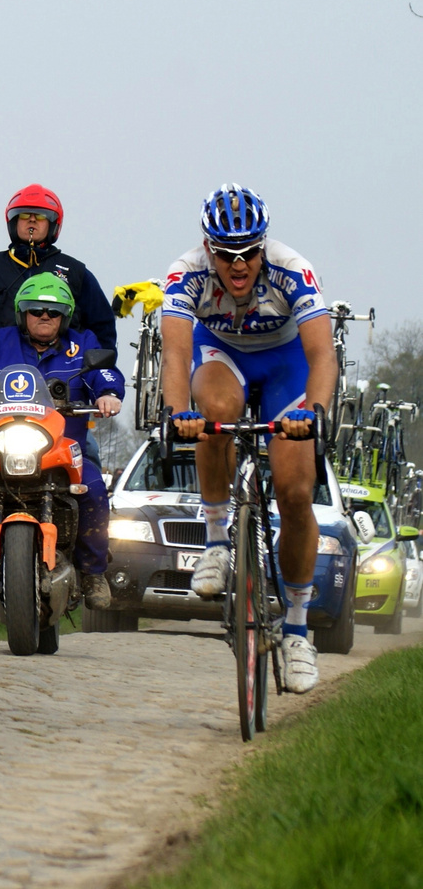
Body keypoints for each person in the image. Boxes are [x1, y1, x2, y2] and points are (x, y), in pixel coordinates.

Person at [162, 184, 334, 694]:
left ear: (264, 245)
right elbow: (174, 354)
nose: (239, 266)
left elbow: (323, 355)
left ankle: (298, 630)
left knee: (296, 491)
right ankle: (217, 541)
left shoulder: (291, 268)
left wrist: (316, 411)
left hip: (287, 363)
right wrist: (178, 414)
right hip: (222, 355)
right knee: (215, 414)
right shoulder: (185, 271)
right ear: (207, 248)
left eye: (250, 252)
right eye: (225, 254)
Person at [0, 273, 124, 608]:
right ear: (21, 313)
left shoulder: (83, 343)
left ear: (66, 317)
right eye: (36, 310)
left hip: (62, 449)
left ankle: (92, 573)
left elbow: (105, 373)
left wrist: (108, 393)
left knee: (95, 488)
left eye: (54, 312)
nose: (45, 316)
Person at [0, 184, 117, 350]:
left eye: (41, 216)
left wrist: (98, 368)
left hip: (64, 370)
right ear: (13, 222)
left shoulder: (76, 273)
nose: (32, 219)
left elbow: (103, 329)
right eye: (24, 214)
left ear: (53, 224)